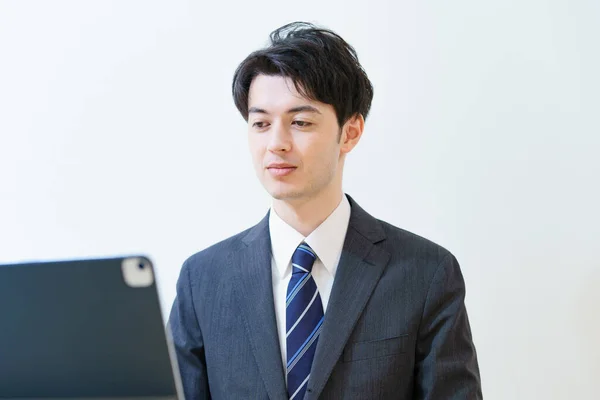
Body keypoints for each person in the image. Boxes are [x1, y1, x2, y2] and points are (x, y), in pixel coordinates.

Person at [168, 21, 482, 400]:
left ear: (349, 132)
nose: (276, 143)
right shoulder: (203, 280)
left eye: (300, 122)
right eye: (261, 123)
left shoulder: (425, 273)